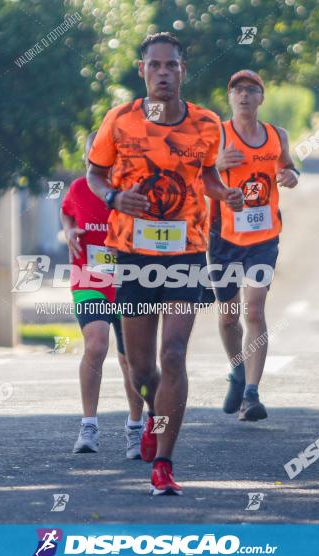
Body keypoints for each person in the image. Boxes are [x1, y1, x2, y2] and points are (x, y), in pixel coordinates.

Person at [86, 32, 243, 495]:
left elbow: (207, 176)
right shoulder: (119, 121)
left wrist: (223, 192)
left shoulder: (207, 124)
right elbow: (94, 175)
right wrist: (115, 196)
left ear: (182, 71)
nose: (163, 73)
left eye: (171, 65)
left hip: (187, 252)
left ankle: (165, 464)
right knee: (140, 369)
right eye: (154, 66)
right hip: (133, 254)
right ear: (142, 71)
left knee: (173, 354)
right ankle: (155, 414)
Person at [210, 69, 299, 421]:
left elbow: (288, 168)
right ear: (230, 98)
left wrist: (291, 175)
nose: (244, 95)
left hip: (264, 238)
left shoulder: (278, 136)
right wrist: (216, 165)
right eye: (237, 90)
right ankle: (236, 371)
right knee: (229, 316)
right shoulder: (217, 135)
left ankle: (251, 392)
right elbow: (195, 177)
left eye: (251, 90)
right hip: (224, 239)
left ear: (261, 97)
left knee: (255, 310)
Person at [61, 132, 145, 457]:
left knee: (131, 360)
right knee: (96, 345)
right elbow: (67, 211)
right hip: (89, 277)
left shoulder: (133, 188)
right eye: (92, 155)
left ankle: (136, 428)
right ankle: (89, 426)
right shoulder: (79, 188)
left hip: (130, 280)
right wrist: (69, 231)